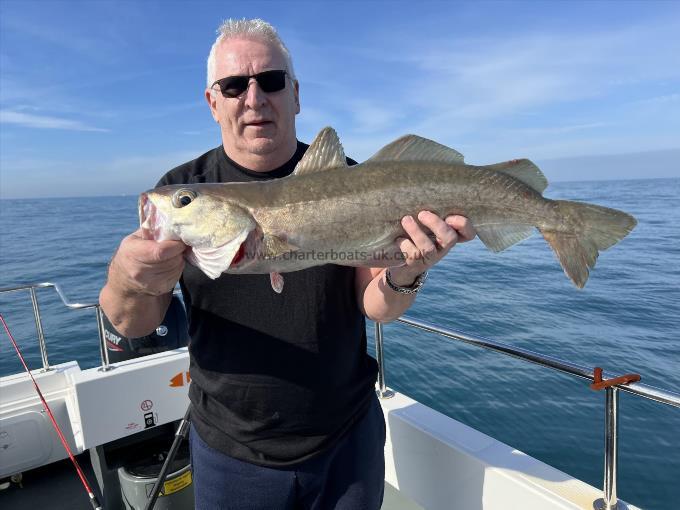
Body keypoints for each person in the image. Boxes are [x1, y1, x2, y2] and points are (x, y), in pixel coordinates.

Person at [100, 18, 475, 510]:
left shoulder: (353, 182)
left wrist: (408, 271)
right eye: (233, 86)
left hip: (348, 437)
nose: (253, 98)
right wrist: (129, 278)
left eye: (270, 81)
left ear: (295, 94)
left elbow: (376, 304)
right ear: (213, 102)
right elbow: (131, 321)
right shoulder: (182, 188)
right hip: (232, 449)